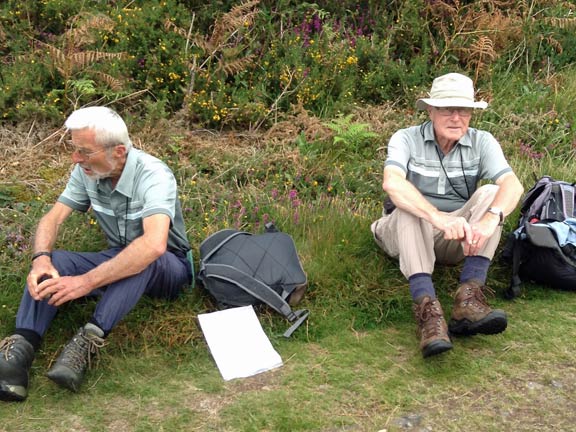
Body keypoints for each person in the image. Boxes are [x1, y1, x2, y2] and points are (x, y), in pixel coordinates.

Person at [0, 106, 193, 401]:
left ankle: (87, 340)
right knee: (58, 261)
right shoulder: (86, 172)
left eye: (84, 152)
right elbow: (52, 218)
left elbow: (154, 245)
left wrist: (85, 282)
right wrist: (40, 258)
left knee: (144, 256)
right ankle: (19, 354)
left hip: (169, 268)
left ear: (118, 151)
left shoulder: (153, 174)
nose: (76, 159)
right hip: (119, 257)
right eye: (75, 149)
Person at [371, 73, 524, 358]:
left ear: (472, 113)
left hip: (452, 238)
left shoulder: (482, 141)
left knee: (492, 194)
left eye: (463, 110)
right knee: (408, 204)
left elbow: (513, 185)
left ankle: (468, 299)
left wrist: (490, 220)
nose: (456, 117)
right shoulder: (405, 138)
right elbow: (392, 183)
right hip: (402, 233)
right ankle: (428, 312)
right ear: (430, 111)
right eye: (446, 109)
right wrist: (438, 217)